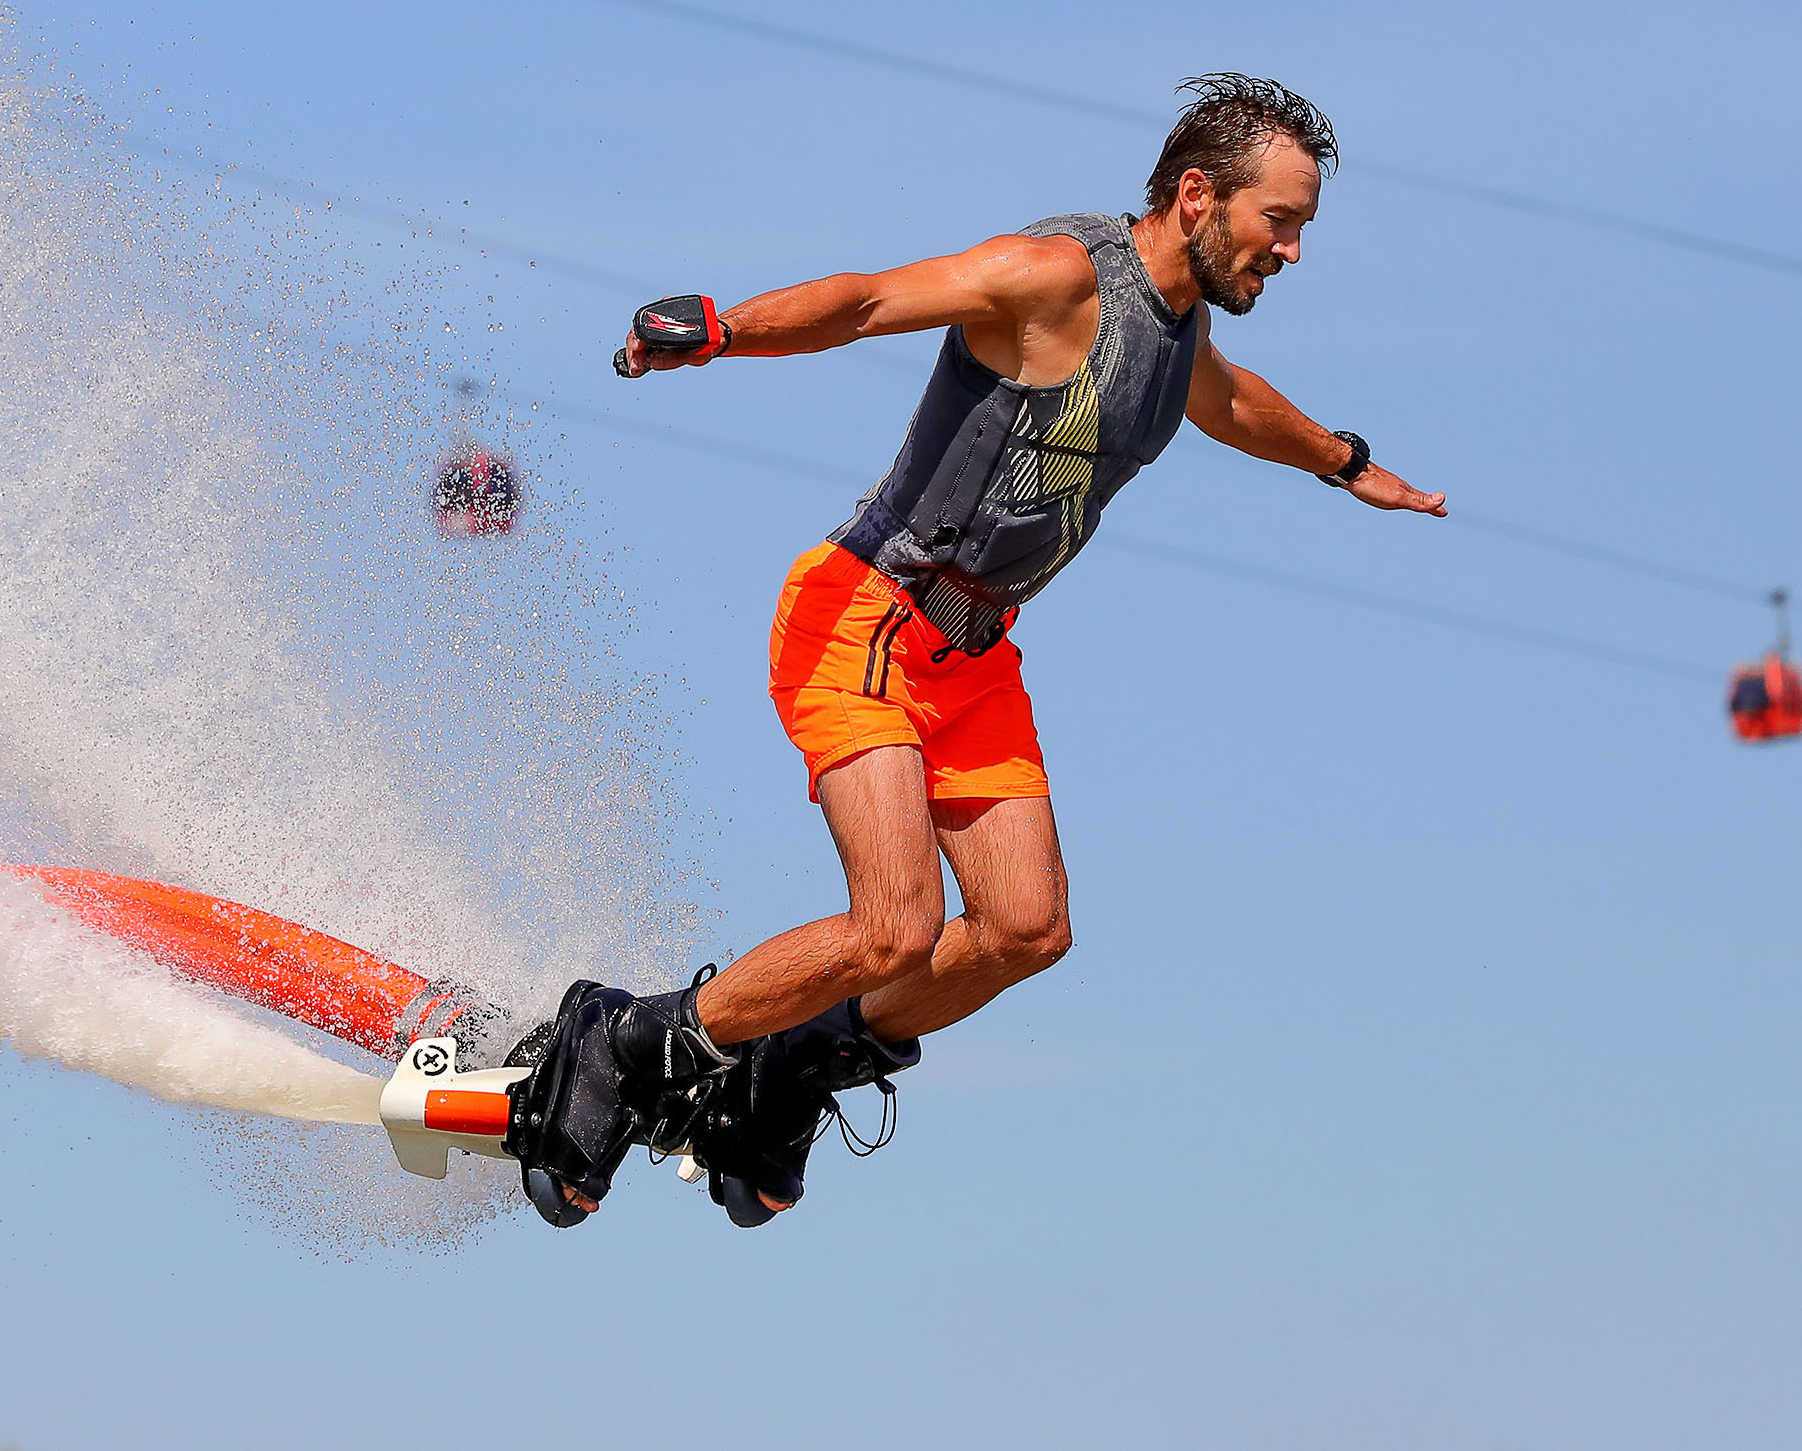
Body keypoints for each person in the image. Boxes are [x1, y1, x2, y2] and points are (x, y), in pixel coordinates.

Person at [500, 74, 1447, 1227]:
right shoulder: (1054, 277)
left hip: (973, 657)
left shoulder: (1179, 329)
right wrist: (726, 327)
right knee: (891, 923)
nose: (1292, 251)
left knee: (1024, 928)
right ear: (1197, 194)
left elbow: (1234, 404)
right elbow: (868, 301)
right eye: (1280, 222)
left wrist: (1346, 462)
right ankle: (630, 1038)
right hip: (866, 616)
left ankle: (786, 1067)